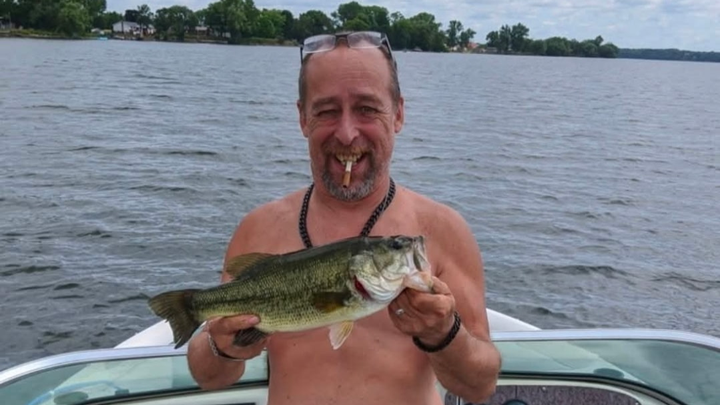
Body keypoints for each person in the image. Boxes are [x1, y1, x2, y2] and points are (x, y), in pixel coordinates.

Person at [186, 31, 501, 405]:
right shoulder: (259, 229)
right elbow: (209, 377)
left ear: (398, 114)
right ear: (303, 118)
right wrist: (222, 347)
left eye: (367, 108)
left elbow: (480, 386)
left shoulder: (443, 230)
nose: (348, 133)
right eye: (326, 111)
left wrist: (444, 334)